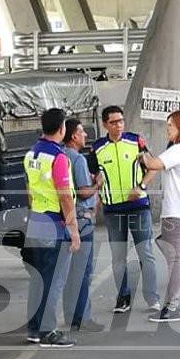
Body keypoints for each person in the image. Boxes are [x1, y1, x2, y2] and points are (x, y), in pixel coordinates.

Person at [91, 105, 160, 314]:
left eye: (121, 120)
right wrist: (97, 187)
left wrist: (141, 187)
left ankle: (152, 298)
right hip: (113, 210)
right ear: (105, 124)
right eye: (113, 122)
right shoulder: (97, 148)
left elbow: (152, 168)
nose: (118, 125)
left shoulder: (135, 141)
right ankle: (123, 298)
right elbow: (95, 176)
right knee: (118, 256)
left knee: (145, 254)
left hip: (139, 207)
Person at [24, 109, 81, 347]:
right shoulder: (58, 157)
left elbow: (29, 189)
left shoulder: (31, 154)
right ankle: (48, 331)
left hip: (37, 219)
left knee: (39, 278)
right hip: (55, 223)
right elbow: (65, 196)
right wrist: (74, 230)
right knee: (54, 279)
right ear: (62, 129)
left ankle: (34, 328)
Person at [139, 111, 180, 323]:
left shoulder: (177, 150)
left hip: (174, 213)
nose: (167, 129)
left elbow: (152, 164)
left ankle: (171, 306)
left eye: (170, 126)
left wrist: (142, 150)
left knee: (175, 260)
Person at [62, 118, 105, 333]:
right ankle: (83, 317)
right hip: (81, 217)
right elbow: (82, 191)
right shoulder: (77, 159)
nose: (85, 135)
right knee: (83, 271)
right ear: (72, 136)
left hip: (66, 216)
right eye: (81, 132)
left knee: (70, 271)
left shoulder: (59, 156)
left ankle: (71, 314)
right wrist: (98, 183)